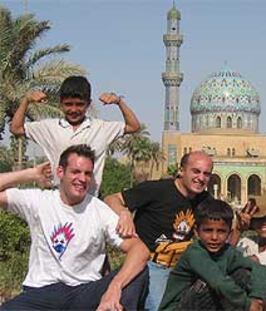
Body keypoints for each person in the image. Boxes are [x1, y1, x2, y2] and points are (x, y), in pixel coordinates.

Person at [0, 144, 149, 311]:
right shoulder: (39, 201)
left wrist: (115, 287)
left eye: (87, 174)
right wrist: (31, 174)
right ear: (60, 172)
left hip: (84, 292)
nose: (82, 179)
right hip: (42, 292)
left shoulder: (98, 210)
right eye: (75, 172)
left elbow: (140, 250)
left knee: (139, 272)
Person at [104, 150, 213, 310]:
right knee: (159, 307)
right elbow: (111, 199)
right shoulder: (157, 190)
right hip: (152, 264)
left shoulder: (204, 200)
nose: (201, 178)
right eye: (196, 171)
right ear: (181, 170)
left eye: (206, 174)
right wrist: (124, 212)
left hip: (181, 266)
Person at [10, 75, 140, 196]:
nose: (73, 110)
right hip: (59, 200)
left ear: (88, 104)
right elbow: (16, 128)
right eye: (68, 104)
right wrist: (26, 101)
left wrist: (118, 101)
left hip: (89, 200)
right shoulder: (49, 128)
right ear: (61, 103)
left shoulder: (101, 128)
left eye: (79, 105)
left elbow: (133, 126)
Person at [159, 198, 266, 311]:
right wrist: (248, 304)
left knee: (242, 273)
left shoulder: (227, 252)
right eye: (208, 230)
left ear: (229, 233)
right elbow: (218, 282)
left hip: (205, 304)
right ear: (197, 232)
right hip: (180, 307)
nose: (214, 237)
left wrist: (257, 298)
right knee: (207, 283)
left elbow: (259, 268)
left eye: (221, 231)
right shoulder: (194, 252)